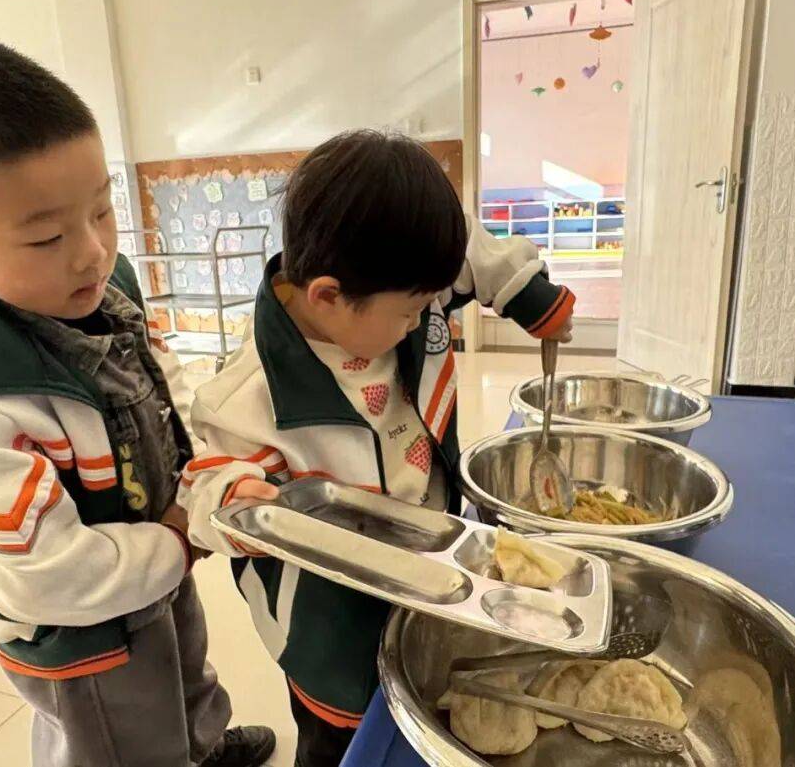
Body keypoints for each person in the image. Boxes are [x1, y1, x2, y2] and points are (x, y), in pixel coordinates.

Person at [0, 32, 275, 767]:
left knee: (184, 672)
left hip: (151, 552)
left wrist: (207, 469)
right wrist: (179, 539)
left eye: (102, 209)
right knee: (123, 737)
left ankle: (202, 745)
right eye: (47, 236)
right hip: (79, 629)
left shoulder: (94, 282)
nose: (92, 250)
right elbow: (47, 575)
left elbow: (159, 379)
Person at [181, 130, 575, 766]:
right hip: (331, 628)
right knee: (347, 740)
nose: (427, 318)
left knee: (424, 708)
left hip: (429, 566)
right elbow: (203, 492)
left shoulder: (395, 282)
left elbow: (468, 252)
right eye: (411, 311)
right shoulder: (248, 398)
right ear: (327, 296)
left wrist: (534, 298)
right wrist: (237, 498)